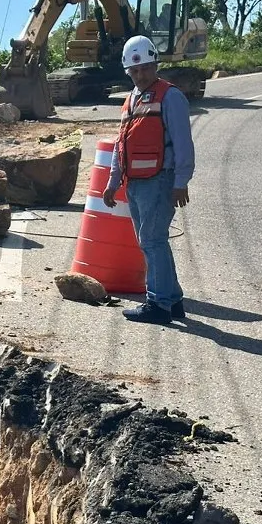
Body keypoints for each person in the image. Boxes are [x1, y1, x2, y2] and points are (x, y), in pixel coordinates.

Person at [102, 35, 195, 324]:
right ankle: (173, 300)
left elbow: (183, 142)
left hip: (161, 180)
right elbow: (121, 144)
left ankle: (157, 304)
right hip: (137, 183)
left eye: (145, 69)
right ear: (128, 71)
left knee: (152, 241)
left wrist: (181, 181)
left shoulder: (170, 96)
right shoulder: (130, 100)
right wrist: (113, 180)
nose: (140, 75)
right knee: (153, 242)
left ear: (155, 65)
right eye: (134, 71)